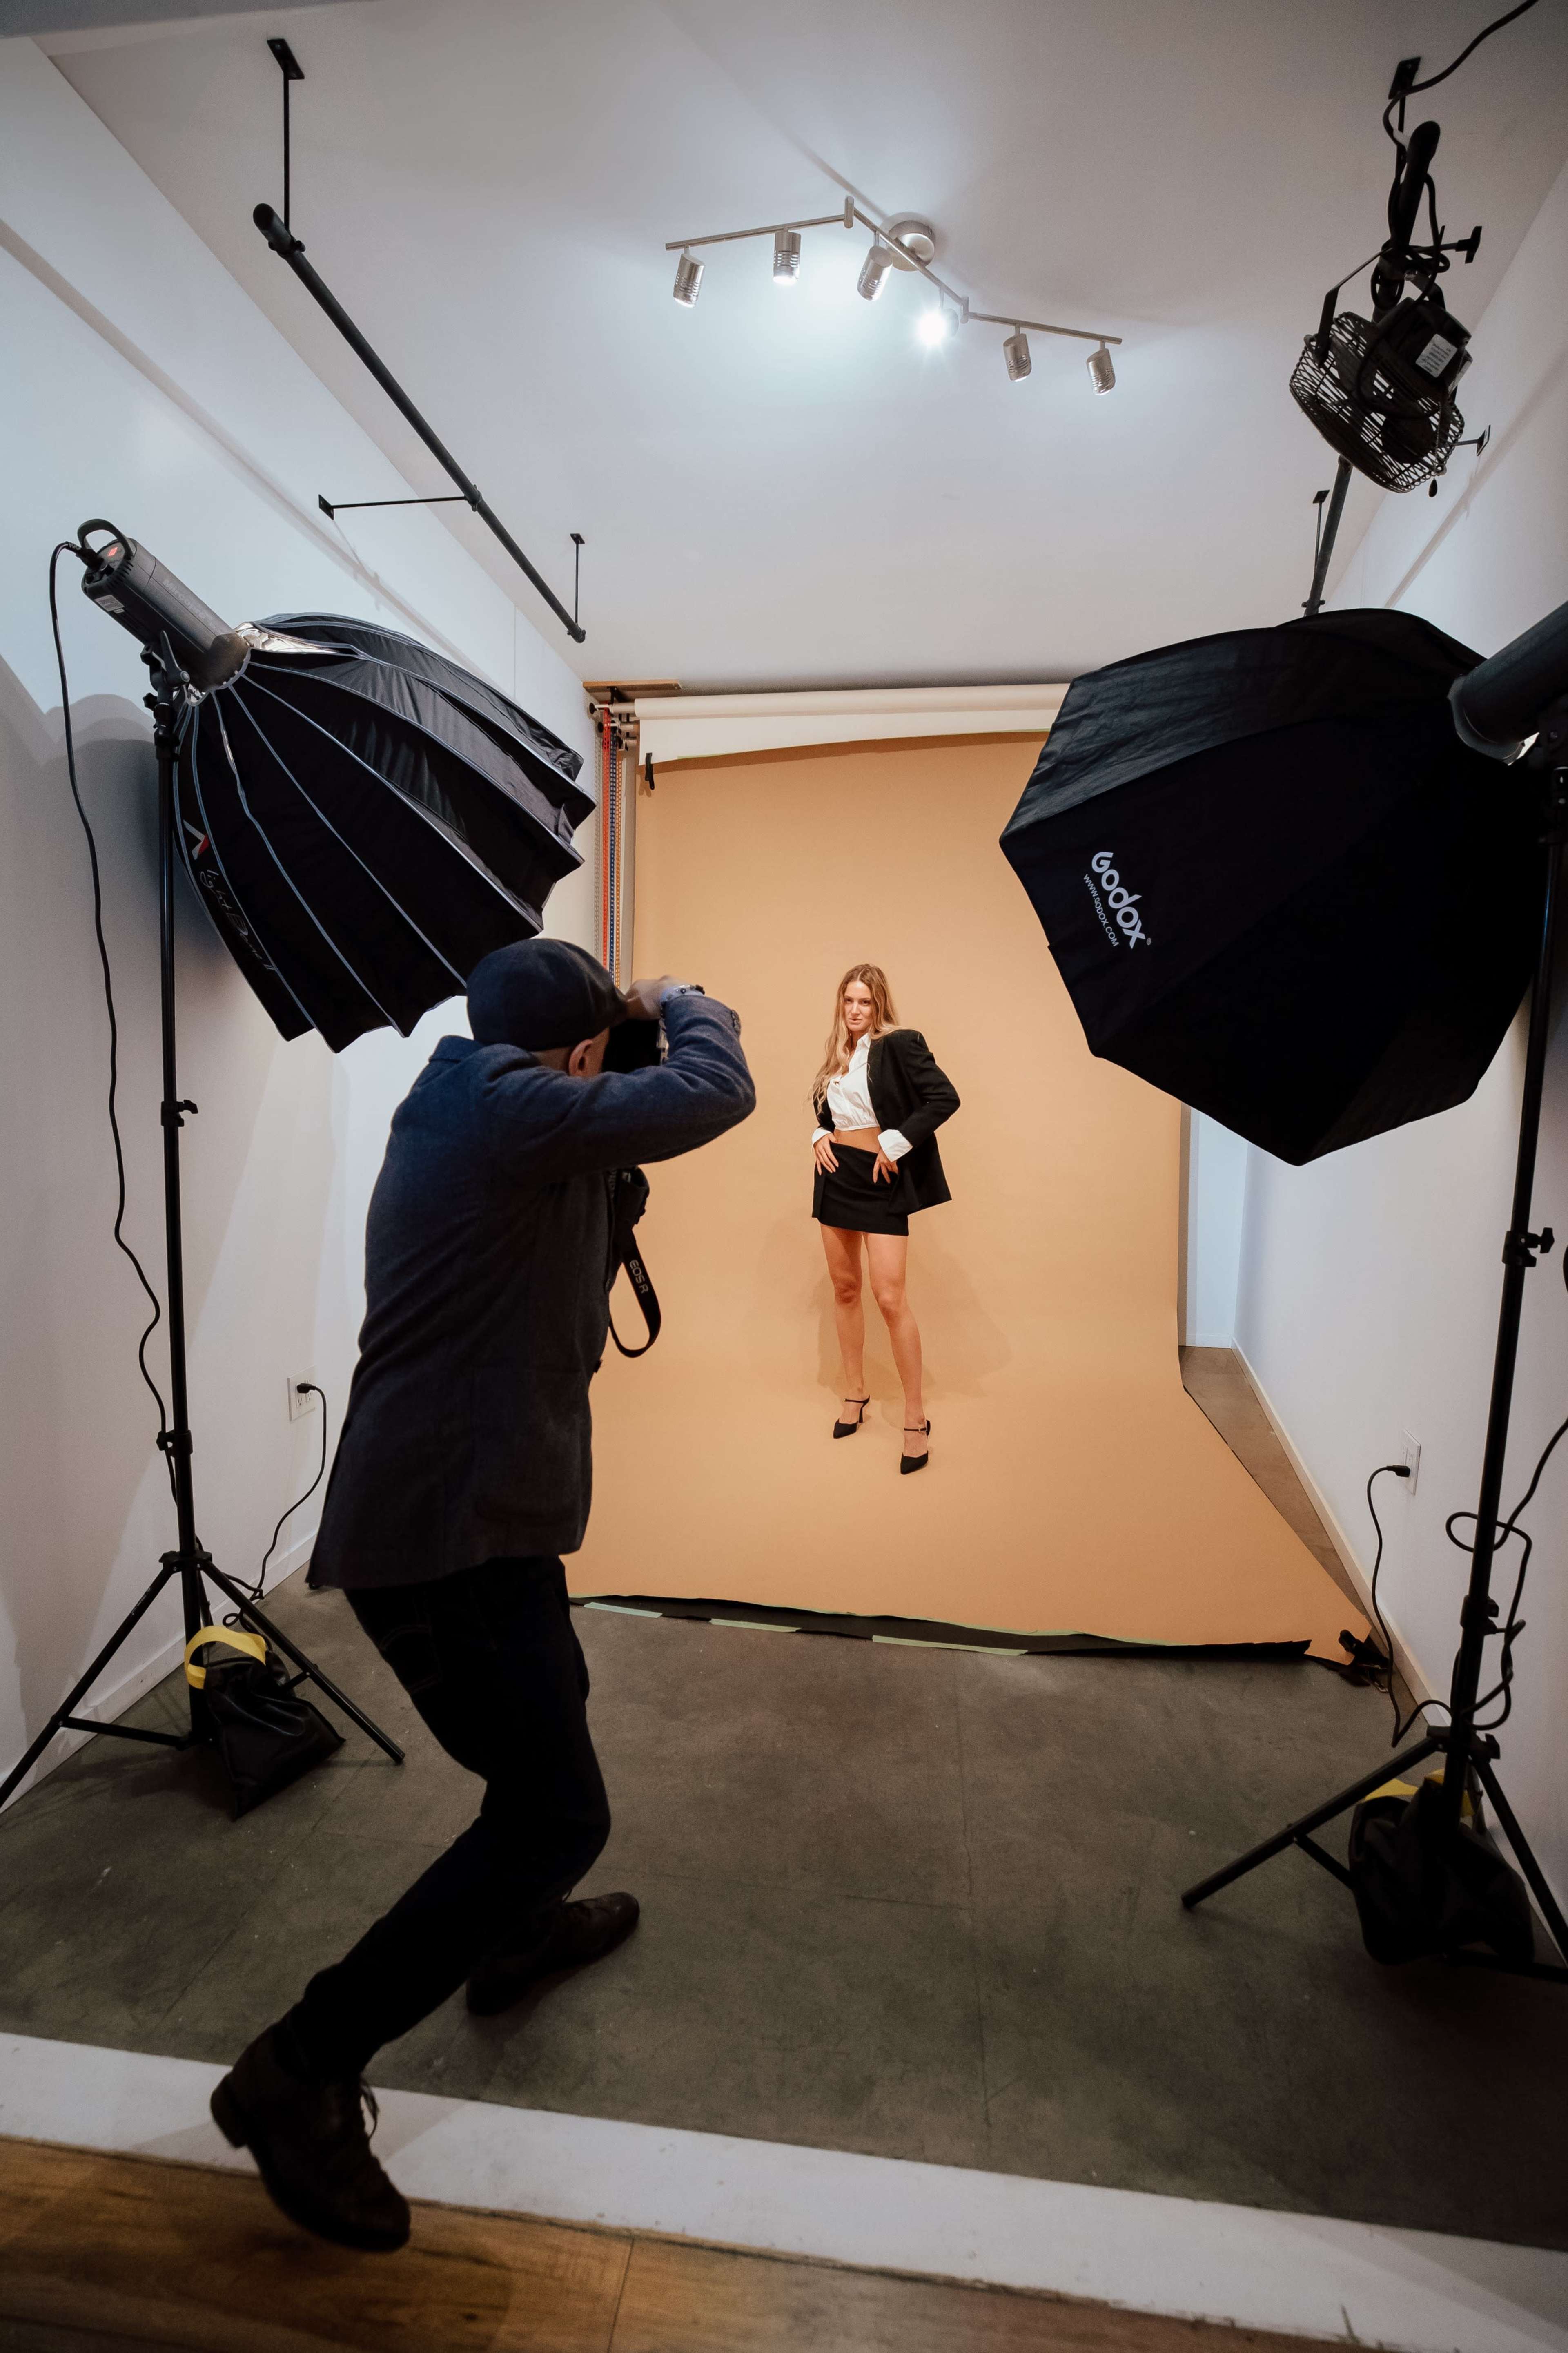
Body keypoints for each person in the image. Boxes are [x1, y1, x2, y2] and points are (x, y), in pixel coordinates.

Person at [211, 940, 754, 2253]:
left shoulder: (508, 1114)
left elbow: (584, 1221)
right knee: (551, 1812)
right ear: (575, 1058)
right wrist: (681, 1002)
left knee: (550, 1712)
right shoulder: (497, 1108)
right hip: (441, 1534)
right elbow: (712, 1090)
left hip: (492, 1513)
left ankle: (511, 1941)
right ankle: (298, 2066)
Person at [810, 963, 958, 1473]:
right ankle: (855, 1393)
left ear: (879, 1005)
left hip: (879, 1177)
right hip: (836, 1175)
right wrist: (818, 1135)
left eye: (865, 1003)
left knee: (890, 1295)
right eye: (849, 1001)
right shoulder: (837, 1054)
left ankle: (915, 1417)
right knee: (845, 1288)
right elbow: (829, 1112)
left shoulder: (899, 1044)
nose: (856, 1011)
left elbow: (945, 1097)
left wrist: (895, 1143)